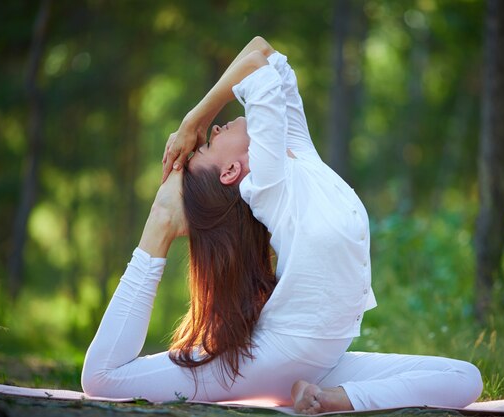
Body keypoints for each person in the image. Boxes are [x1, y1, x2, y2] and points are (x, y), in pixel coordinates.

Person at [81, 36, 483, 414]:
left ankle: (325, 399)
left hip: (319, 361)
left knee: (464, 378)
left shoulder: (296, 152)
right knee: (104, 379)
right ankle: (160, 224)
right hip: (278, 354)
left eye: (206, 135)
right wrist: (194, 119)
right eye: (208, 144)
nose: (214, 128)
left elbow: (261, 49)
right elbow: (255, 65)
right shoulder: (267, 178)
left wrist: (194, 123)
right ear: (232, 171)